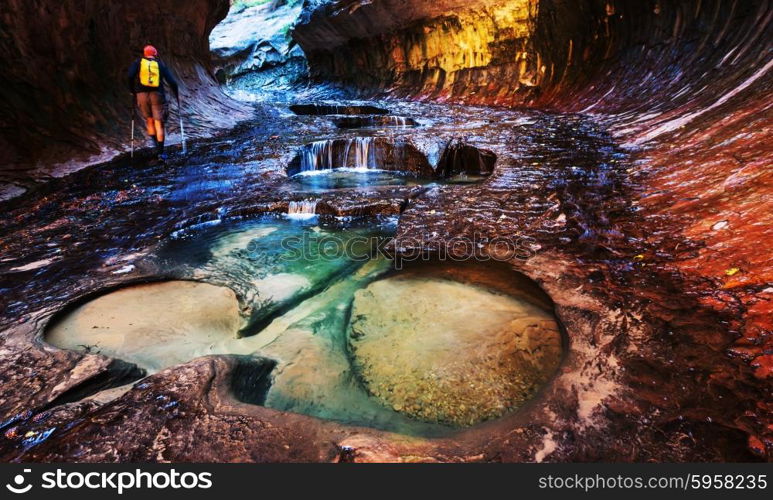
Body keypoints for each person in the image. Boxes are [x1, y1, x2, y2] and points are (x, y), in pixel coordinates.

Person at [127, 45, 179, 160]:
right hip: (157, 95)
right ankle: (161, 152)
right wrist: (176, 94)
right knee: (159, 123)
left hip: (141, 95)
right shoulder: (159, 64)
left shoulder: (138, 62)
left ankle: (155, 145)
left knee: (149, 120)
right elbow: (172, 81)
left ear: (144, 54)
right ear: (155, 54)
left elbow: (130, 75)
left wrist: (132, 91)